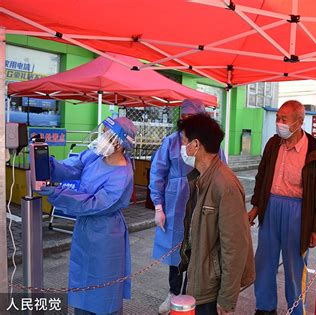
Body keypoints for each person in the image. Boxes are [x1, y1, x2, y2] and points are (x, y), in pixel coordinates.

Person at [37, 117, 137, 314]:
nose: (101, 138)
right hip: (85, 230)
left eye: (107, 135)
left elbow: (93, 203)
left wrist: (56, 193)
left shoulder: (122, 175)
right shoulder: (95, 156)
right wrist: (45, 161)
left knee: (103, 284)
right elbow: (71, 166)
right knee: (82, 279)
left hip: (106, 234)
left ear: (120, 143)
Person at [248, 100, 316, 315]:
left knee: (295, 267)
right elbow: (262, 178)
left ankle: (295, 310)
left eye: (283, 119)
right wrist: (255, 208)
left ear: (299, 121)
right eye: (278, 118)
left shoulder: (315, 152)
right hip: (271, 207)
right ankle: (265, 307)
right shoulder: (273, 144)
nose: (279, 123)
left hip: (298, 212)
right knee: (264, 262)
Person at [149, 99, 226, 313]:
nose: (185, 126)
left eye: (190, 121)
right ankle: (174, 292)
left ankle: (191, 293)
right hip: (176, 202)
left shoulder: (210, 142)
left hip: (202, 199)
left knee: (198, 247)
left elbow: (221, 169)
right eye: (183, 120)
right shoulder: (171, 142)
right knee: (176, 250)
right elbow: (158, 172)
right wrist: (158, 206)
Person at [178, 113, 255, 315]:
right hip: (199, 275)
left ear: (195, 145)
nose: (182, 147)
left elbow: (235, 246)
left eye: (184, 142)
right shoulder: (200, 177)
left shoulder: (225, 185)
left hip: (212, 288)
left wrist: (227, 298)